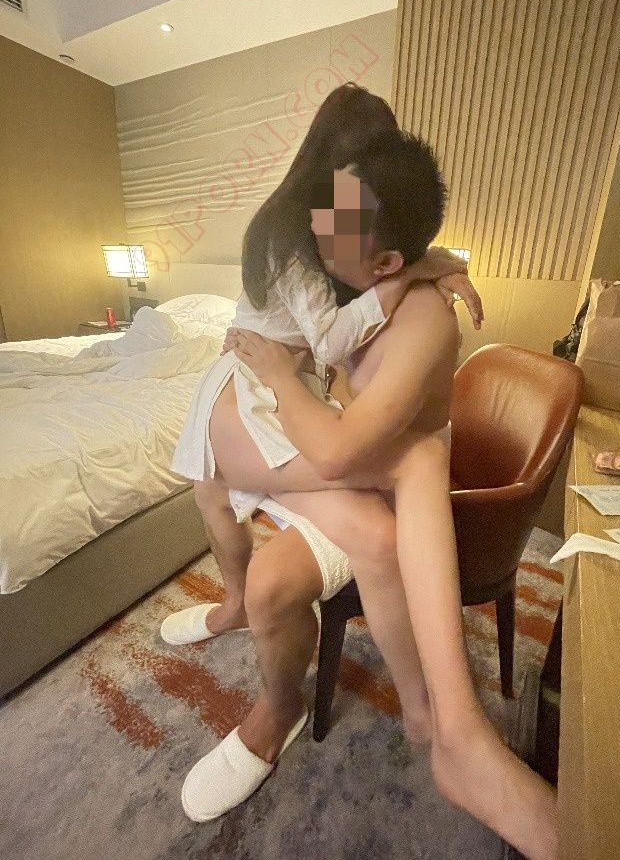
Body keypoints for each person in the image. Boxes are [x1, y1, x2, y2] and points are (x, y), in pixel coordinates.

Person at [168, 127, 557, 855]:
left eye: (338, 224)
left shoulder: (420, 314)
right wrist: (430, 263)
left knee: (352, 526)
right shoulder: (344, 277)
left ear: (385, 259)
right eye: (326, 205)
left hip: (359, 462)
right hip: (340, 446)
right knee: (232, 518)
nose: (320, 228)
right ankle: (392, 709)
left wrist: (283, 376)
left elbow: (342, 446)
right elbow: (338, 386)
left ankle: (430, 720)